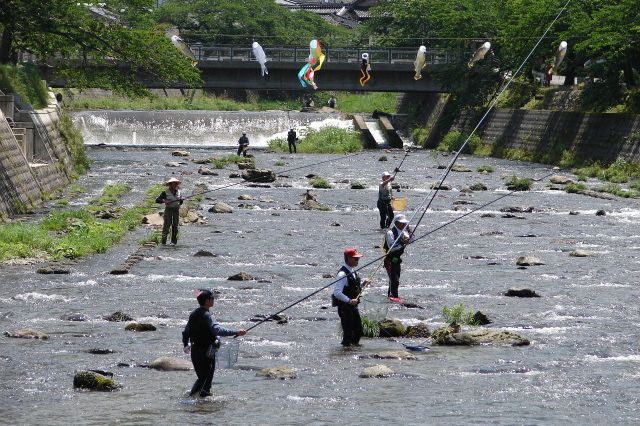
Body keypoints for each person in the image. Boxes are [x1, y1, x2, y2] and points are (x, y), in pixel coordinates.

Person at [182, 289, 246, 397]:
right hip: (207, 353)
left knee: (202, 378)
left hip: (195, 352)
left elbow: (185, 332)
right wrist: (236, 332)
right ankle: (202, 406)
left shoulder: (193, 314)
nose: (213, 300)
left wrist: (185, 345)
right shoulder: (208, 315)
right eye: (212, 298)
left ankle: (193, 401)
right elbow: (217, 330)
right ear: (207, 301)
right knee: (206, 381)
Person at [332, 248, 370, 346]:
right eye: (356, 258)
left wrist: (363, 285)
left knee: (358, 331)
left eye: (358, 258)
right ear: (348, 259)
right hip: (344, 308)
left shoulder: (352, 271)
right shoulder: (342, 274)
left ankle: (351, 352)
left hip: (352, 306)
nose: (358, 260)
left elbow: (353, 288)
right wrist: (349, 300)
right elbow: (337, 292)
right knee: (348, 334)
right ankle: (344, 354)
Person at [383, 214, 414, 299]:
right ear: (396, 223)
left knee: (396, 280)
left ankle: (392, 296)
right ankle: (393, 297)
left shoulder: (404, 232)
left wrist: (409, 231)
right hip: (389, 260)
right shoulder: (390, 233)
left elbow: (412, 240)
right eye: (402, 223)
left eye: (405, 223)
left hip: (397, 260)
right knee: (394, 280)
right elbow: (392, 247)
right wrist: (402, 242)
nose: (404, 225)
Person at [156, 177, 183, 245]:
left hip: (176, 211)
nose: (175, 185)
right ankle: (163, 243)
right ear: (170, 185)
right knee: (166, 227)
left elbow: (181, 202)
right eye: (174, 184)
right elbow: (157, 200)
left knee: (175, 227)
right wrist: (164, 201)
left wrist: (181, 199)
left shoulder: (179, 192)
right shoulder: (165, 193)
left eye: (176, 184)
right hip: (168, 210)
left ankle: (174, 242)